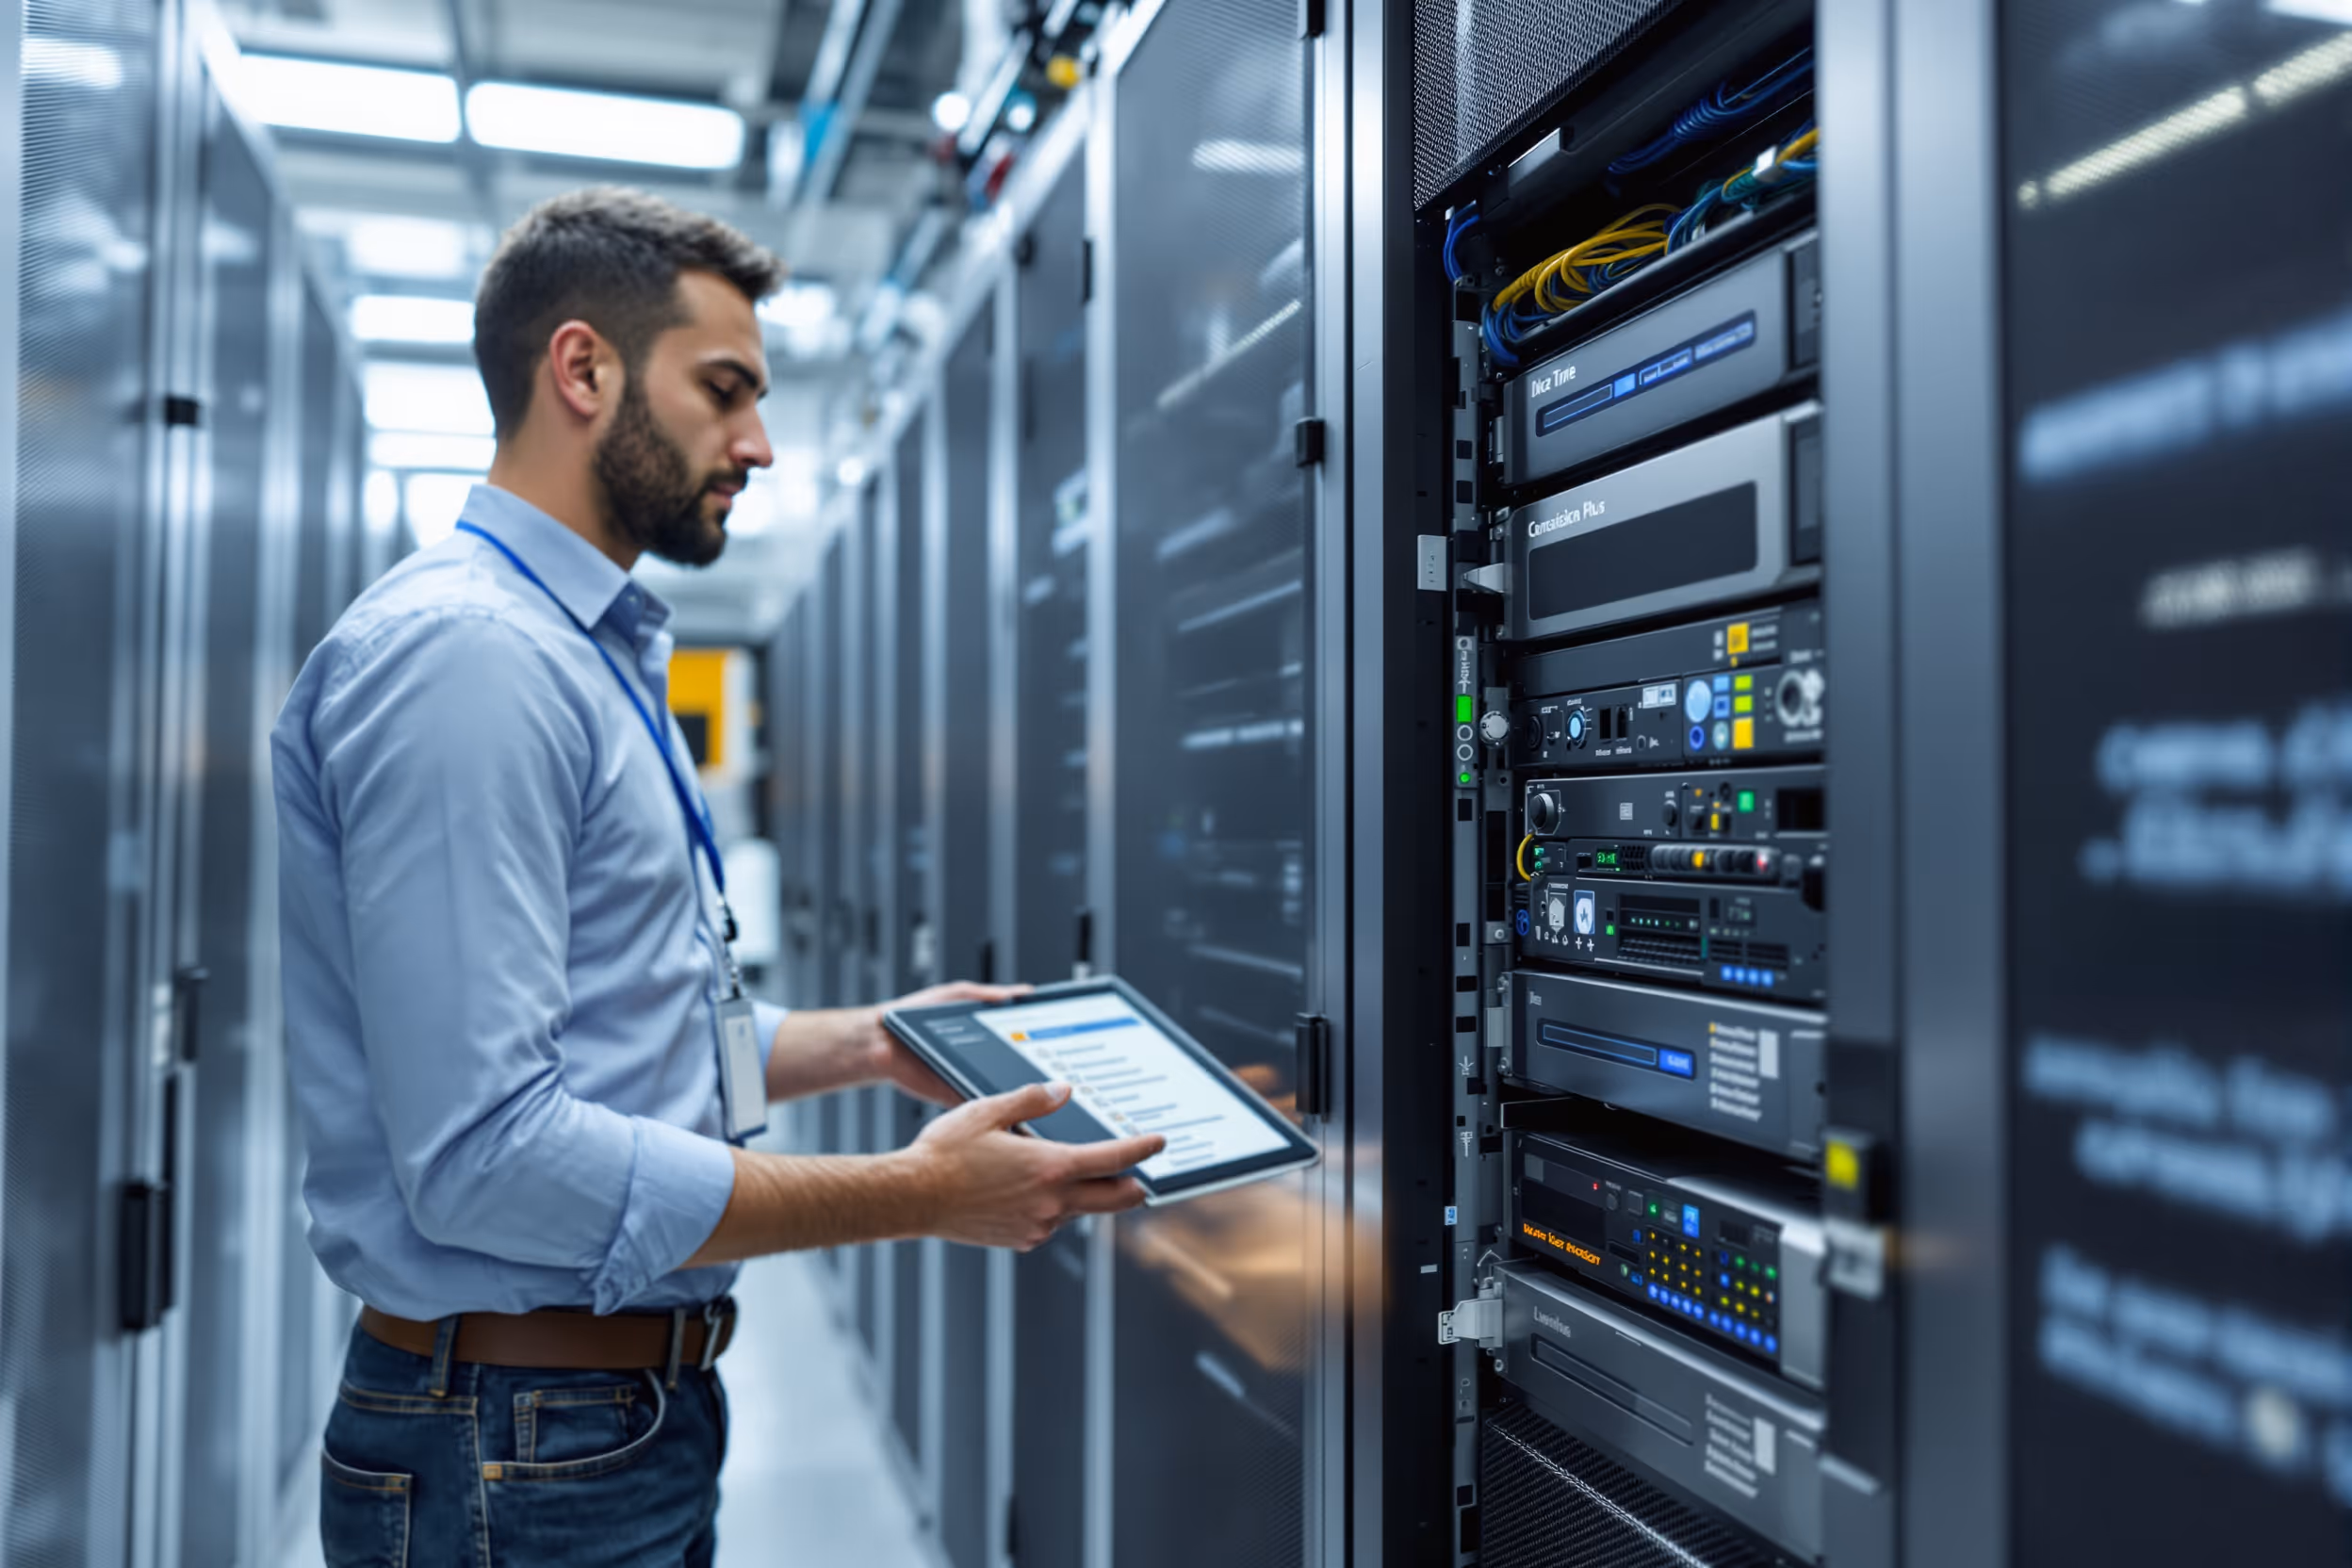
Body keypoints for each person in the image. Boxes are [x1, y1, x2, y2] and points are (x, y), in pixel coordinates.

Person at [270, 187, 1163, 1568]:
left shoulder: (583, 650)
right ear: (583, 369)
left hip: (590, 1417)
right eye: (726, 389)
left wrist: (868, 1044)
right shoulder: (474, 661)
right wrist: (914, 1195)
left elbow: (622, 1034)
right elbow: (486, 1156)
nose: (757, 443)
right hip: (517, 1434)